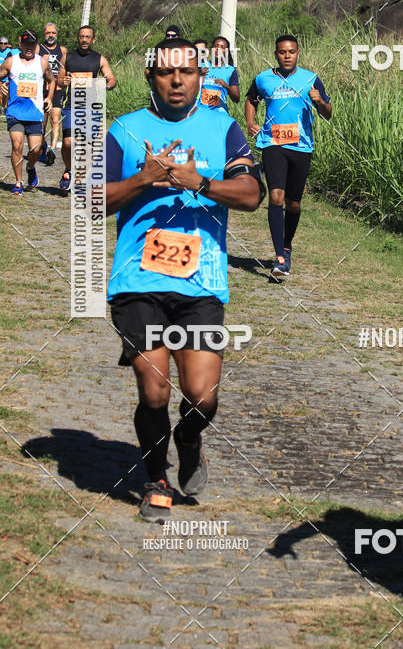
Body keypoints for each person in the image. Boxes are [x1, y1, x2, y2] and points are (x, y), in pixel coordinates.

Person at [106, 37, 264, 523]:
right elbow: (90, 200)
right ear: (150, 77)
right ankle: (155, 479)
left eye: (188, 72)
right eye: (166, 73)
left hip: (202, 282)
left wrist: (201, 183)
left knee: (200, 395)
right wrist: (142, 179)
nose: (177, 81)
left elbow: (253, 193)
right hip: (138, 280)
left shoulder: (224, 128)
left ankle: (189, 439)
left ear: (201, 77)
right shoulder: (125, 131)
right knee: (153, 389)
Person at [245, 35, 331, 278]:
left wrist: (320, 102)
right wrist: (250, 122)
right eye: (282, 52)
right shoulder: (263, 79)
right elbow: (252, 100)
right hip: (272, 143)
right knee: (276, 196)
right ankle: (279, 259)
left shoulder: (310, 80)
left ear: (298, 53)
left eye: (291, 51)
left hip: (301, 147)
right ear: (275, 54)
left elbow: (328, 114)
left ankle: (286, 245)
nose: (287, 55)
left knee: (293, 203)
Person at [57, 25, 116, 192]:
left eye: (87, 37)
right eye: (81, 36)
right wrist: (64, 82)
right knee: (68, 143)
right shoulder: (67, 57)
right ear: (78, 38)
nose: (84, 40)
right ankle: (68, 170)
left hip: (91, 108)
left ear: (93, 40)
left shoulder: (99, 59)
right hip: (71, 106)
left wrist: (107, 85)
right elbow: (59, 80)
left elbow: (111, 78)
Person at [0, 30, 54, 195]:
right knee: (17, 145)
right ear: (20, 45)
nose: (28, 47)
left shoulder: (42, 63)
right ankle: (18, 182)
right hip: (15, 111)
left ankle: (30, 167)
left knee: (35, 149)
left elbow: (51, 81)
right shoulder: (10, 62)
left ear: (36, 45)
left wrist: (50, 98)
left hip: (35, 112)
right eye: (25, 44)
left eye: (32, 44)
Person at [38, 22, 67, 166]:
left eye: (53, 33)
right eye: (48, 33)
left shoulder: (62, 50)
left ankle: (53, 150)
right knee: (41, 123)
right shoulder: (38, 48)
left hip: (57, 90)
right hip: (42, 90)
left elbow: (67, 68)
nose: (51, 35)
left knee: (55, 119)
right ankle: (42, 146)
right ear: (44, 34)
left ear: (57, 34)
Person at [198, 36, 240, 111]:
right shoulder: (201, 66)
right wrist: (199, 76)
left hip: (220, 113)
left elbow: (236, 99)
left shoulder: (230, 70)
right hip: (201, 112)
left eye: (222, 47)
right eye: (216, 46)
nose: (218, 49)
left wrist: (226, 86)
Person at [0, 38, 15, 113]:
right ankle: (2, 108)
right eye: (1, 43)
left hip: (6, 76)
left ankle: (5, 107)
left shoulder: (9, 52)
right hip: (0, 75)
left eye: (5, 43)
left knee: (5, 94)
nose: (3, 45)